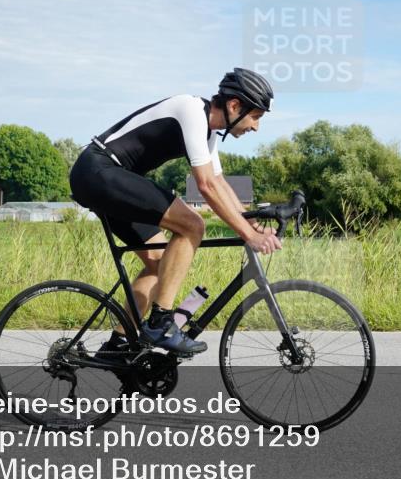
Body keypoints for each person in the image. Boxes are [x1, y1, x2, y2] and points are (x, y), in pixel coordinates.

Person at [69, 68, 281, 356]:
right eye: (255, 117)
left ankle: (118, 343)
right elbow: (205, 185)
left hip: (109, 179)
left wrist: (252, 224)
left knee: (159, 262)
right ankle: (161, 322)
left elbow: (219, 182)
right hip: (99, 171)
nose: (255, 127)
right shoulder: (192, 110)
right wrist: (247, 235)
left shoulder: (208, 132)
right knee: (192, 225)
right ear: (234, 106)